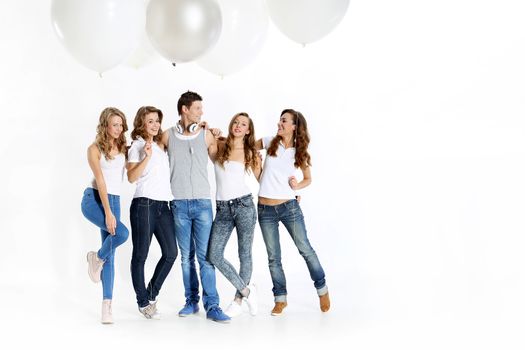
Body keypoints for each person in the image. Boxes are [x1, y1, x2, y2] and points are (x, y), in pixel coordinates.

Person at [160, 91, 230, 323]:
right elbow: (148, 156)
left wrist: (219, 137)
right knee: (185, 257)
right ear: (184, 109)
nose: (201, 112)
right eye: (197, 108)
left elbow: (220, 160)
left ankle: (213, 305)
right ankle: (191, 301)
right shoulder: (167, 136)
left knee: (205, 257)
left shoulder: (206, 135)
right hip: (179, 203)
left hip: (202, 203)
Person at [256, 109, 330, 316]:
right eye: (280, 120)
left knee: (305, 249)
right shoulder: (269, 141)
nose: (279, 123)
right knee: (273, 257)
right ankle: (280, 299)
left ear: (294, 126)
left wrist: (297, 186)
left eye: (284, 121)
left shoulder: (299, 151)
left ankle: (322, 289)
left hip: (289, 207)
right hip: (264, 209)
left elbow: (308, 178)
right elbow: (242, 146)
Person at [207, 113, 261, 318]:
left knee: (244, 254)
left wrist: (292, 193)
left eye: (243, 124)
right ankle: (248, 291)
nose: (238, 126)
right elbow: (207, 144)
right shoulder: (220, 145)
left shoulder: (250, 152)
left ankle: (238, 300)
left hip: (244, 205)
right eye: (236, 122)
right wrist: (209, 129)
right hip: (222, 209)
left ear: (248, 130)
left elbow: (264, 180)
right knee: (214, 254)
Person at [127, 106, 178, 319]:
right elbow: (131, 177)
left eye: (157, 120)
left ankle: (151, 294)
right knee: (141, 255)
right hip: (144, 205)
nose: (155, 125)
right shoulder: (137, 146)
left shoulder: (160, 146)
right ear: (141, 123)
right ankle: (143, 303)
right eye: (150, 121)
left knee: (171, 253)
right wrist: (145, 157)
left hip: (163, 206)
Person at [81, 107, 130, 324]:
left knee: (110, 254)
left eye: (121, 124)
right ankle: (96, 258)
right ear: (105, 126)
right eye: (115, 124)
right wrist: (108, 212)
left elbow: (131, 173)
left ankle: (106, 307)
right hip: (94, 200)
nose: (119, 128)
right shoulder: (94, 149)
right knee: (122, 234)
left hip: (115, 200)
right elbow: (101, 181)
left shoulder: (123, 148)